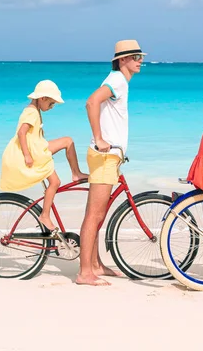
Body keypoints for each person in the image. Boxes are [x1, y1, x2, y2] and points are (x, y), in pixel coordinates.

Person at [76, 40, 146, 286]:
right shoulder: (116, 80)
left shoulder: (119, 82)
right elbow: (91, 101)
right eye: (136, 56)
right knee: (94, 215)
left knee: (98, 215)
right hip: (104, 156)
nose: (140, 61)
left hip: (109, 157)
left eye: (140, 56)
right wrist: (99, 138)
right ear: (123, 59)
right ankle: (85, 272)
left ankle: (95, 264)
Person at [0, 80, 88, 235]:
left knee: (68, 141)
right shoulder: (32, 112)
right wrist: (27, 155)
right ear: (42, 98)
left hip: (39, 147)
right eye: (51, 103)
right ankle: (45, 215)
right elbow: (21, 132)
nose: (52, 107)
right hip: (35, 153)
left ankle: (76, 173)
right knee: (55, 182)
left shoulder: (34, 110)